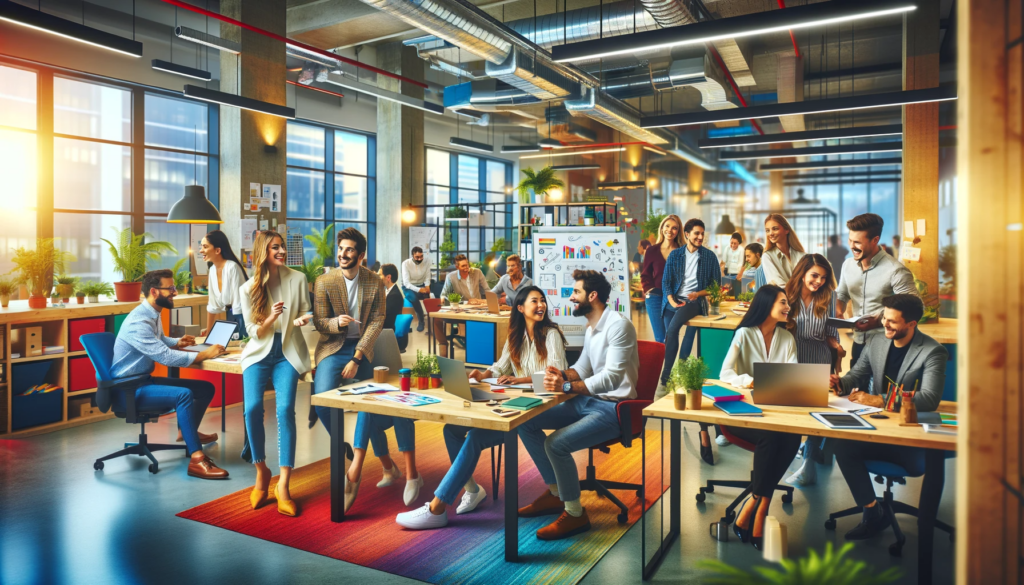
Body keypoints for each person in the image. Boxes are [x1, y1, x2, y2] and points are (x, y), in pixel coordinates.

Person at [394, 287, 568, 529]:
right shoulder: (515, 336)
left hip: (543, 406)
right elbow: (500, 366)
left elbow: (555, 374)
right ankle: (472, 490)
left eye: (542, 301)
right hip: (515, 406)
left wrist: (518, 380)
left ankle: (436, 507)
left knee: (475, 435)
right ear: (520, 308)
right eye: (534, 301)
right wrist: (483, 374)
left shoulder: (551, 335)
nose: (541, 305)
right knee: (452, 429)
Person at [517, 270, 639, 540]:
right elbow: (583, 367)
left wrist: (567, 387)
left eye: (576, 293)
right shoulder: (592, 326)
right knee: (526, 421)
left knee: (555, 444)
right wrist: (561, 375)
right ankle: (557, 494)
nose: (571, 297)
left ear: (592, 296)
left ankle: (575, 514)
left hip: (614, 408)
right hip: (587, 400)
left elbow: (612, 378)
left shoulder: (619, 325)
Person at [311, 228, 418, 511]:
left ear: (360, 256)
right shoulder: (324, 281)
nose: (343, 254)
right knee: (321, 400)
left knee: (368, 403)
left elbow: (378, 321)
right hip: (333, 348)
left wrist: (357, 358)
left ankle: (364, 468)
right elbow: (321, 322)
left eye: (349, 250)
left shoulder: (374, 282)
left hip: (364, 348)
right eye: (341, 249)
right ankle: (345, 446)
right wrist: (338, 324)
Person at [829, 294, 947, 540]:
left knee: (846, 445)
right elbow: (857, 375)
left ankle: (875, 515)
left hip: (907, 435)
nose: (885, 324)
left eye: (892, 321)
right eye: (884, 318)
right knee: (839, 442)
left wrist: (879, 399)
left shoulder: (932, 351)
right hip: (877, 426)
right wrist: (840, 384)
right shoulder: (876, 342)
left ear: (912, 324)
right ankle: (873, 511)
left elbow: (928, 399)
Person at [110, 269, 227, 479]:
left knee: (204, 388)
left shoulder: (152, 313)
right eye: (170, 288)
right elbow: (166, 357)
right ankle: (198, 460)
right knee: (183, 394)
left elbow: (159, 341)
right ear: (154, 291)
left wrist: (177, 342)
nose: (175, 292)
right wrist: (205, 353)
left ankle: (186, 431)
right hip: (128, 388)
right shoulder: (139, 321)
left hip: (143, 380)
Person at [718, 285, 801, 550]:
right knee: (771, 436)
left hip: (777, 412)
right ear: (767, 305)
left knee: (791, 435)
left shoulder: (787, 338)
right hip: (744, 414)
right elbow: (725, 373)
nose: (788, 307)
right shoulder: (744, 334)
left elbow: (793, 378)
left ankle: (756, 504)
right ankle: (758, 512)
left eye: (787, 303)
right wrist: (751, 381)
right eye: (783, 302)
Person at [238, 231, 312, 516]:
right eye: (275, 247)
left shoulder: (298, 278)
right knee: (252, 410)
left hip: (288, 354)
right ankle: (261, 472)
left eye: (282, 246)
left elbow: (306, 312)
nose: (281, 251)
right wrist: (271, 316)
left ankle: (284, 485)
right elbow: (252, 331)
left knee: (284, 411)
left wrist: (303, 318)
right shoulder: (248, 289)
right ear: (263, 251)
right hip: (259, 353)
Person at [782, 254, 843, 487]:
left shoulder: (829, 296)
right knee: (794, 412)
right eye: (814, 276)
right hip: (792, 357)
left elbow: (830, 332)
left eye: (823, 278)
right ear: (802, 273)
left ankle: (808, 466)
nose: (818, 281)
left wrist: (837, 347)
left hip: (819, 357)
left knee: (817, 414)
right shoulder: (785, 296)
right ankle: (790, 452)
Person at [835, 213, 917, 368]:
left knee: (880, 392)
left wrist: (879, 320)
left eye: (857, 242)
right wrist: (838, 307)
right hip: (858, 342)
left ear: (875, 240)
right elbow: (842, 293)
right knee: (856, 390)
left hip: (887, 345)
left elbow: (913, 307)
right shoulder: (847, 265)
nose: (851, 246)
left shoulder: (896, 270)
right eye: (850, 240)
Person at [435, 254, 489, 357]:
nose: (466, 268)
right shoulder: (451, 277)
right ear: (457, 267)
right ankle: (444, 345)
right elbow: (444, 293)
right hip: (463, 307)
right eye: (463, 266)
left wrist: (488, 301)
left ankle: (477, 348)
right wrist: (442, 300)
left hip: (478, 307)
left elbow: (486, 290)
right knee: (437, 320)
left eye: (467, 265)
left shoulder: (477, 272)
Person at [640, 214, 683, 344]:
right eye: (667, 226)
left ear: (678, 231)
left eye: (674, 228)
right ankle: (661, 365)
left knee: (670, 337)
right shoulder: (652, 250)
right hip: (655, 297)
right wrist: (648, 289)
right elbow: (645, 274)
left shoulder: (682, 251)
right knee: (660, 339)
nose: (670, 230)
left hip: (673, 298)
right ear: (662, 228)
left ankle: (669, 365)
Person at [199, 229, 248, 337]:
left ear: (217, 250)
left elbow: (239, 304)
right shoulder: (212, 270)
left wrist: (241, 332)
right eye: (201, 246)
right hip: (232, 317)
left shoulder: (232, 267)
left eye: (205, 247)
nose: (201, 251)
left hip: (244, 317)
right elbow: (212, 305)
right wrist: (209, 331)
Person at [761, 213, 806, 287]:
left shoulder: (802, 256)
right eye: (767, 230)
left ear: (787, 230)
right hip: (782, 298)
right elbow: (778, 286)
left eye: (775, 229)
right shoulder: (767, 256)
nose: (771, 233)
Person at [401, 247, 432, 332]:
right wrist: (419, 290)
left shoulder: (427, 261)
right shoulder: (406, 264)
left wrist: (427, 285)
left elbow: (427, 276)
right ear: (412, 256)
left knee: (429, 297)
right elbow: (406, 283)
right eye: (417, 257)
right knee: (414, 299)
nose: (420, 259)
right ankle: (421, 321)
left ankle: (432, 319)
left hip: (422, 284)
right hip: (408, 287)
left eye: (421, 256)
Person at [380, 263, 408, 352]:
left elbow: (385, 319)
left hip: (388, 333)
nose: (378, 278)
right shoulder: (389, 291)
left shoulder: (394, 295)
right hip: (387, 329)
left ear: (388, 277)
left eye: (380, 275)